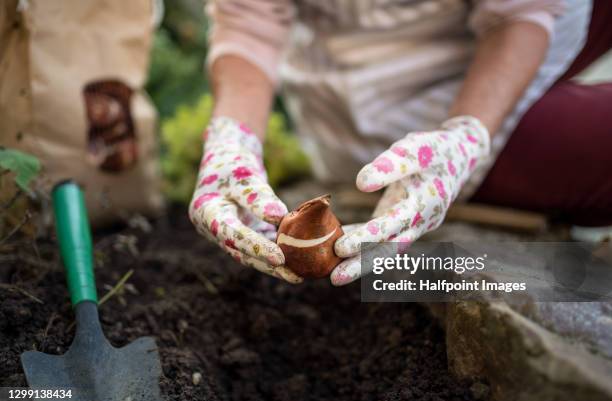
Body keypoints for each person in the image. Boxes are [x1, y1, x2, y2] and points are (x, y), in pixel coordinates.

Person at [190, 0, 612, 286]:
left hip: (518, 38)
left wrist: (467, 136)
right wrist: (231, 139)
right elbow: (248, 22)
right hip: (397, 95)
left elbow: (521, 10)